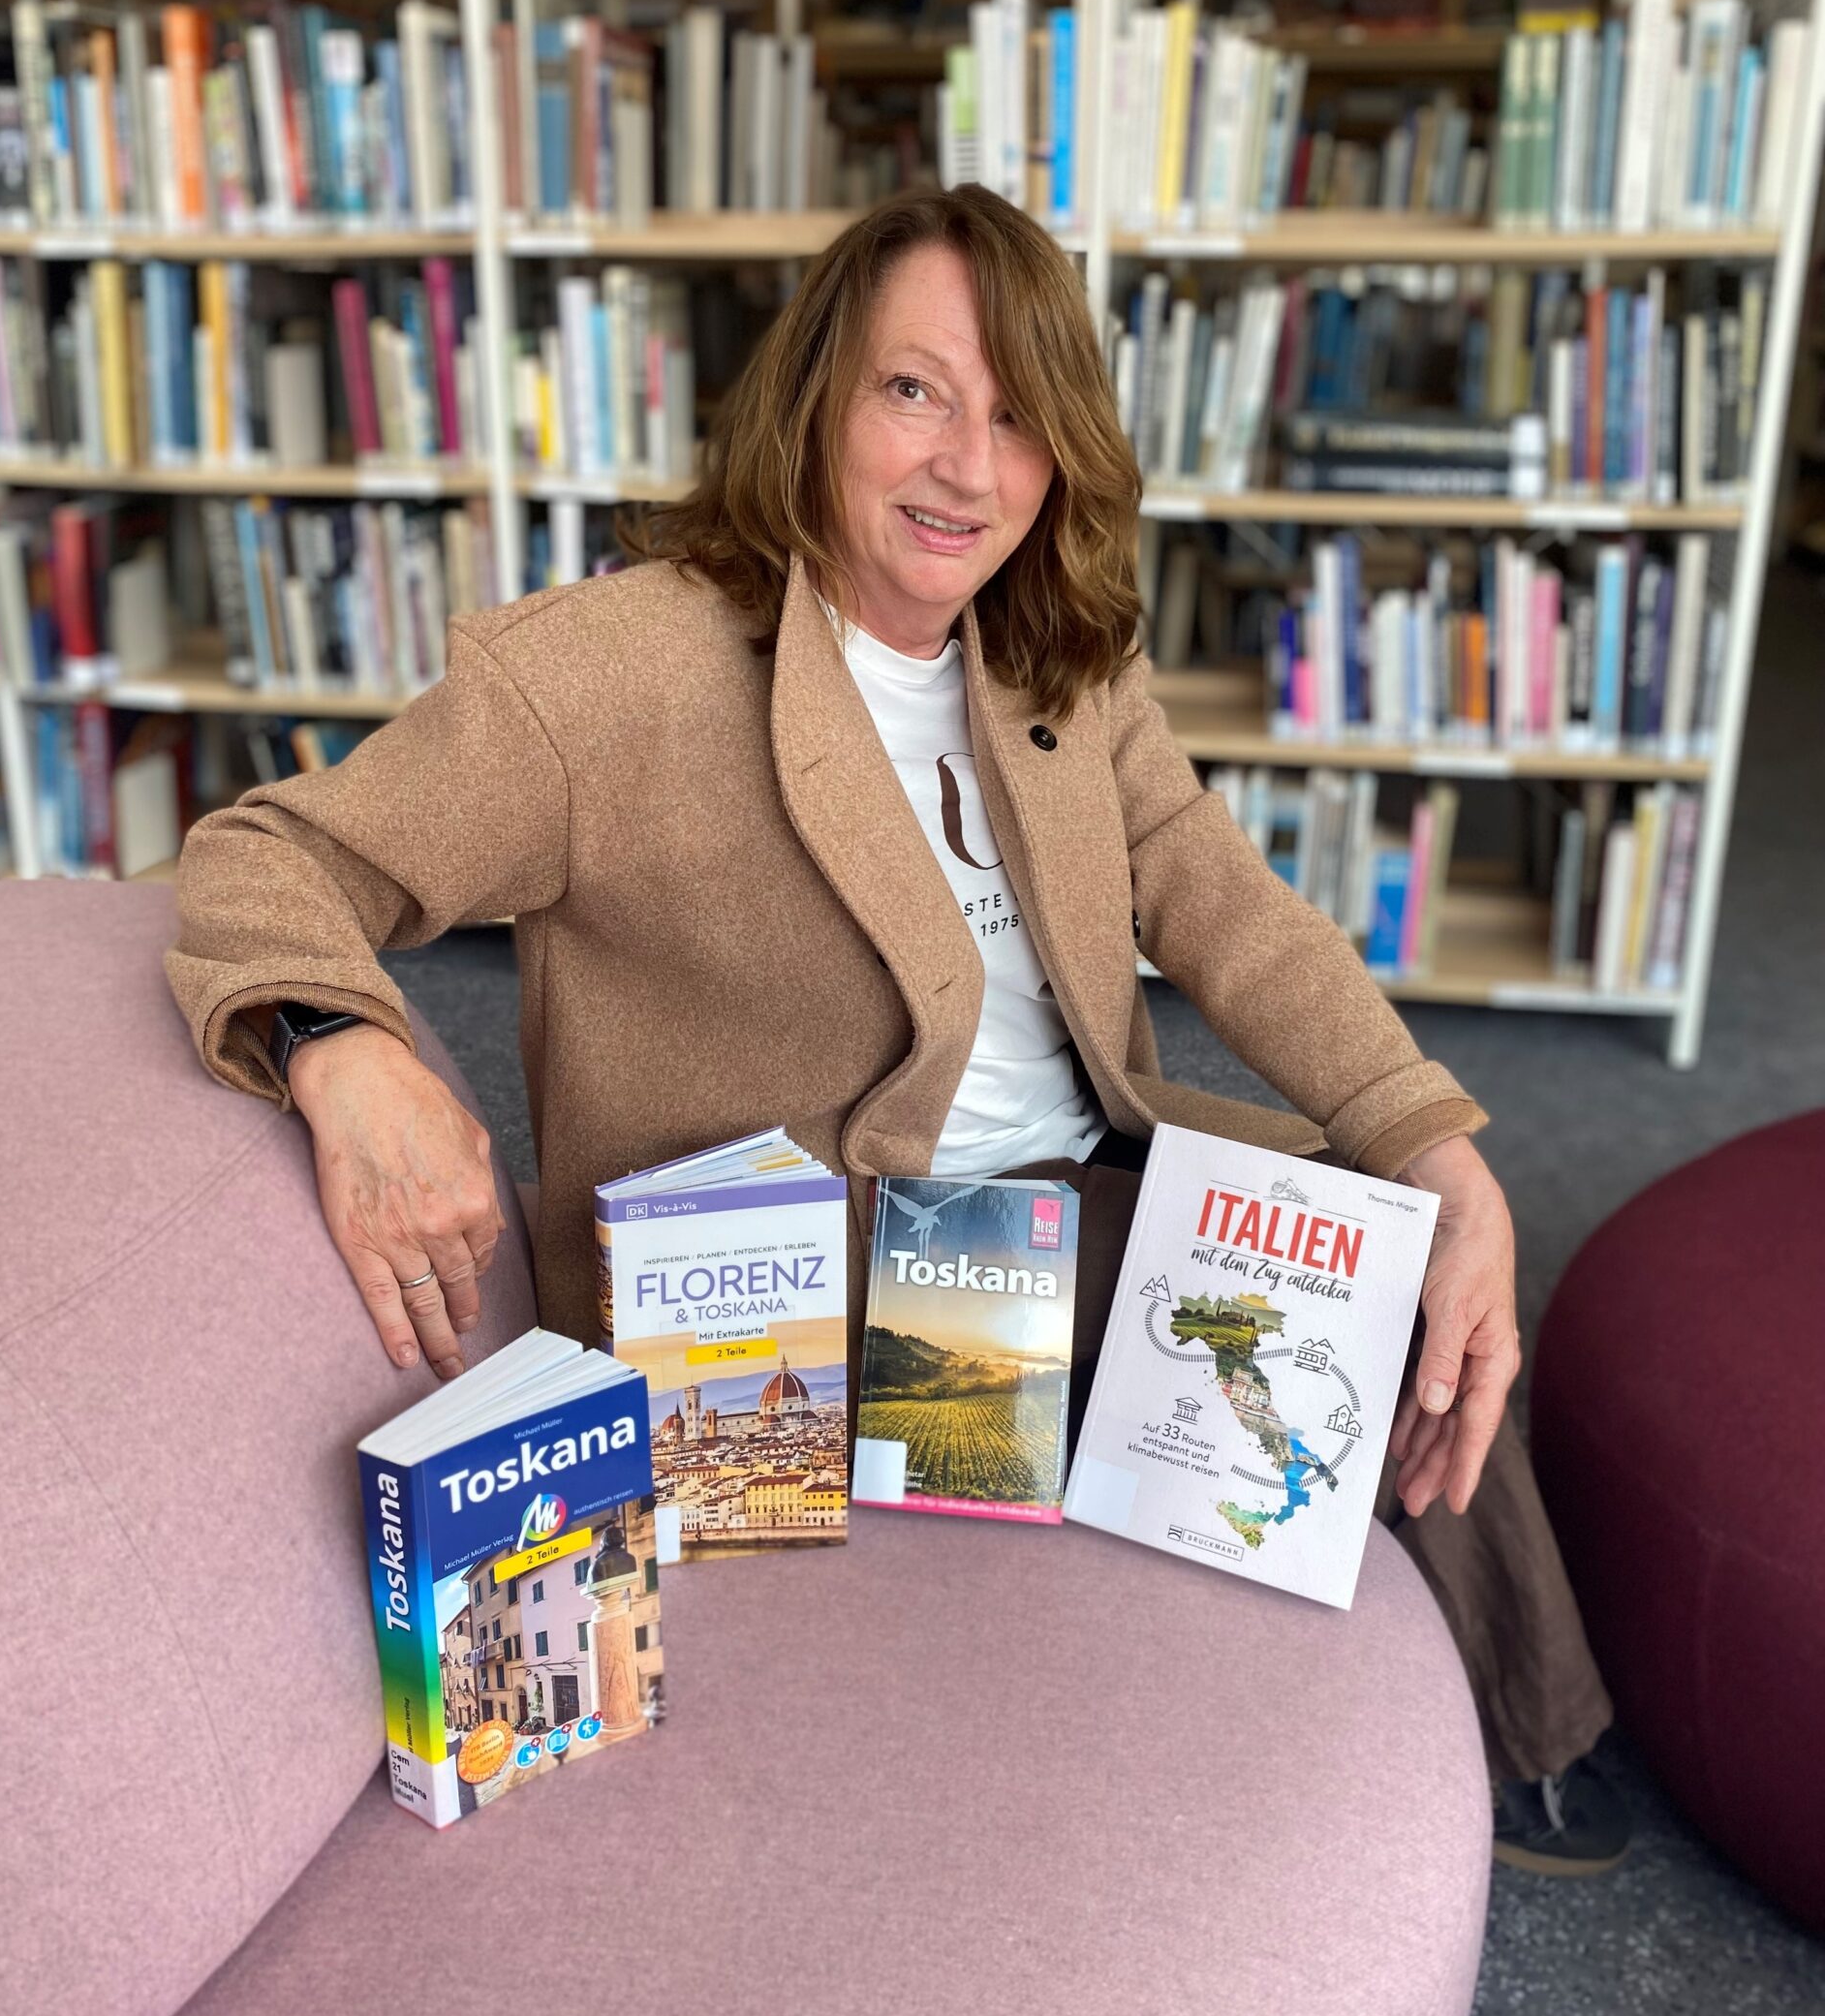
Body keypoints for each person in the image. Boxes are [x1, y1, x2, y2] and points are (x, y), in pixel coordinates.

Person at [169, 183, 1624, 1876]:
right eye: (915, 392)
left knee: (1422, 1257)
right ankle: (1476, 1717)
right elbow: (269, 852)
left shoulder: (1050, 659)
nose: (966, 468)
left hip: (1058, 1198)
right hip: (815, 1301)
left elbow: (1234, 910)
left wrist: (1429, 1143)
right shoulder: (609, 680)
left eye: (1017, 415)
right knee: (1346, 1322)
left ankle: (1521, 1723)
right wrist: (342, 1050)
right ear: (817, 399)